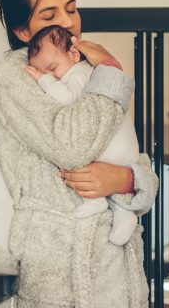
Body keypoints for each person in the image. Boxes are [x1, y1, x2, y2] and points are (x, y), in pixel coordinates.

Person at [0, 0, 159, 307]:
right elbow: (72, 146)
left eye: (72, 9)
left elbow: (136, 160)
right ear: (22, 30)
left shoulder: (88, 68)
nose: (68, 22)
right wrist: (111, 70)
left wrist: (128, 180)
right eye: (49, 16)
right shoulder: (13, 75)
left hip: (120, 273)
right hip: (62, 275)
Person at [25, 25, 140, 246]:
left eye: (52, 68)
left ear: (74, 54)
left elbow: (67, 98)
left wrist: (42, 79)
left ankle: (96, 202)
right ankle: (124, 213)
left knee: (73, 155)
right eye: (44, 71)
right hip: (124, 151)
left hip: (112, 148)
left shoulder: (81, 71)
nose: (52, 76)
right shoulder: (77, 70)